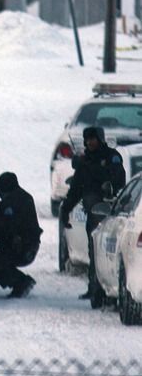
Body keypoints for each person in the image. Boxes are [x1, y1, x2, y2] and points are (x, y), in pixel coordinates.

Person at [59, 126, 125, 300]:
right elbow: (75, 190)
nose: (90, 142)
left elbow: (118, 180)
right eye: (87, 139)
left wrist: (93, 169)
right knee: (94, 251)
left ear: (100, 139)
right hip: (93, 213)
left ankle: (110, 289)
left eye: (93, 139)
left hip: (110, 213)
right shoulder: (84, 161)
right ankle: (95, 288)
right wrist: (66, 210)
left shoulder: (112, 157)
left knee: (110, 253)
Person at [0, 172, 42, 298]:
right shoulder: (23, 197)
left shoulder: (9, 204)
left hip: (20, 249)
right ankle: (18, 281)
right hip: (31, 246)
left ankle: (20, 282)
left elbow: (6, 230)